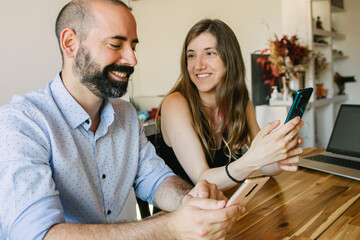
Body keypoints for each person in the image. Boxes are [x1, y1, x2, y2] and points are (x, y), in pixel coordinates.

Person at [0, 1, 245, 239]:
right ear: (70, 44)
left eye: (133, 46)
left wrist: (190, 199)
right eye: (116, 45)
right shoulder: (21, 123)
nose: (132, 59)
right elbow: (37, 235)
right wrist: (170, 227)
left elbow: (156, 179)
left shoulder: (125, 115)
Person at [157, 19, 304, 191]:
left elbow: (267, 167)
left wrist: (280, 154)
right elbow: (202, 180)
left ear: (229, 59)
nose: (198, 65)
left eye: (210, 53)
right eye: (191, 55)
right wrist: (253, 160)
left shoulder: (240, 102)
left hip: (224, 203)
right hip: (179, 212)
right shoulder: (175, 104)